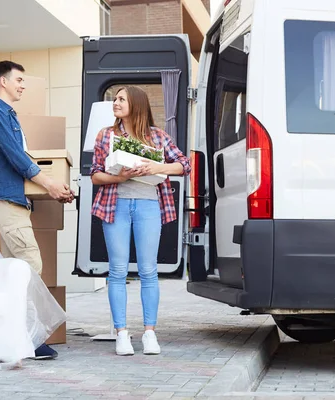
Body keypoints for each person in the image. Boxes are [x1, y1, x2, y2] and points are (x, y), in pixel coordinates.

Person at [0, 60, 74, 360]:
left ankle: (9, 337)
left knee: (12, 270)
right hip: (4, 198)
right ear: (2, 82)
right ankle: (29, 337)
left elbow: (20, 158)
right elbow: (16, 157)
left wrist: (52, 187)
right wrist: (49, 184)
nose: (23, 85)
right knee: (28, 262)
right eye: (19, 79)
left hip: (13, 198)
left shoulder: (9, 115)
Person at [90, 86, 191, 356]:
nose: (116, 103)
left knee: (148, 271)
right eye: (115, 99)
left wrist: (157, 167)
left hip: (148, 206)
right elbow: (96, 175)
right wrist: (120, 177)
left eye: (121, 99)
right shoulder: (106, 135)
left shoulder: (157, 136)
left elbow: (184, 164)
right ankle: (122, 334)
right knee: (117, 271)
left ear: (136, 104)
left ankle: (149, 334)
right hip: (116, 206)